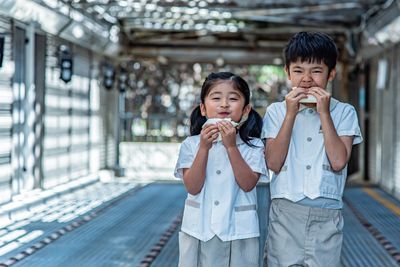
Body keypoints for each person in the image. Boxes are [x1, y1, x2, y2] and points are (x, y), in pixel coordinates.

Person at [262, 31, 363, 267]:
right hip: (286, 209)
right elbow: (273, 163)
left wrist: (324, 113)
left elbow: (338, 161)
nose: (306, 79)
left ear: (332, 73)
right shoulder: (277, 112)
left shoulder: (343, 112)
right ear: (287, 72)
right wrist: (290, 114)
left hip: (327, 211)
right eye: (298, 71)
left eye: (316, 71)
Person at [174, 71, 269, 267]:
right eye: (216, 98)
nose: (224, 104)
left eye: (233, 98)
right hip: (199, 230)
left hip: (239, 232)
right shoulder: (191, 145)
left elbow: (248, 183)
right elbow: (192, 187)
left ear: (245, 110)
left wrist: (232, 146)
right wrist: (203, 148)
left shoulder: (254, 146)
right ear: (203, 108)